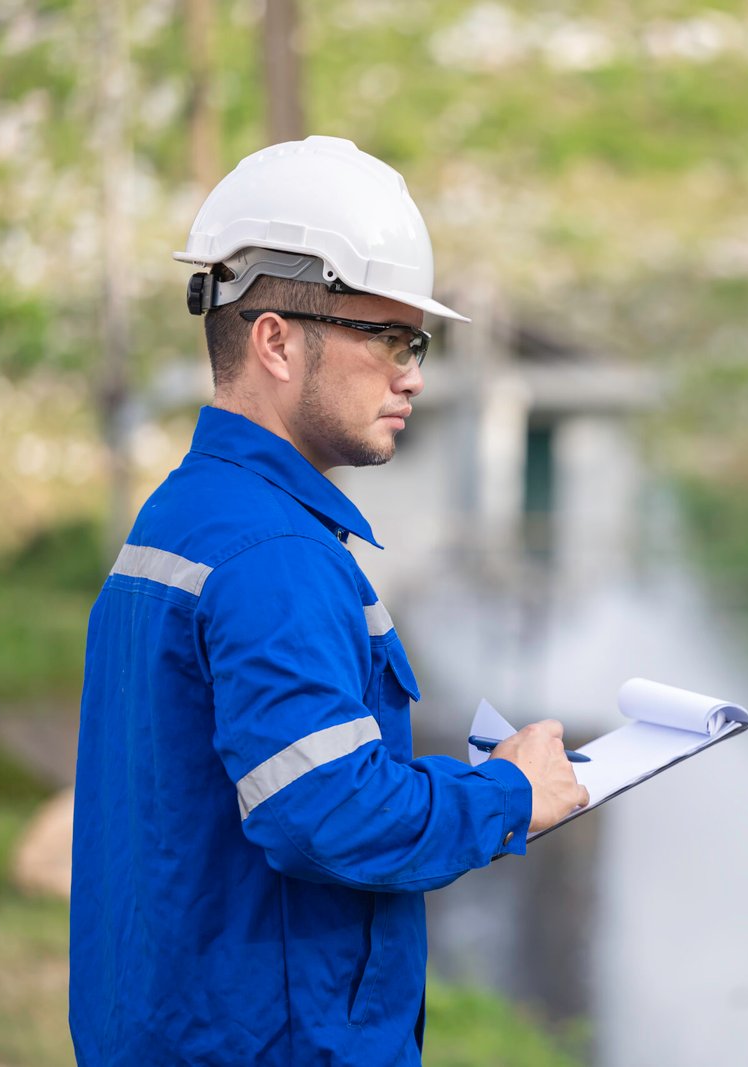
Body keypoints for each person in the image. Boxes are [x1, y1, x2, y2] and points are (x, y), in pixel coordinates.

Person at [68, 135, 589, 1066]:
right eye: (386, 337)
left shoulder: (184, 515)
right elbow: (326, 810)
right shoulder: (274, 554)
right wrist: (510, 791)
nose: (413, 374)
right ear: (274, 338)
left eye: (416, 342)